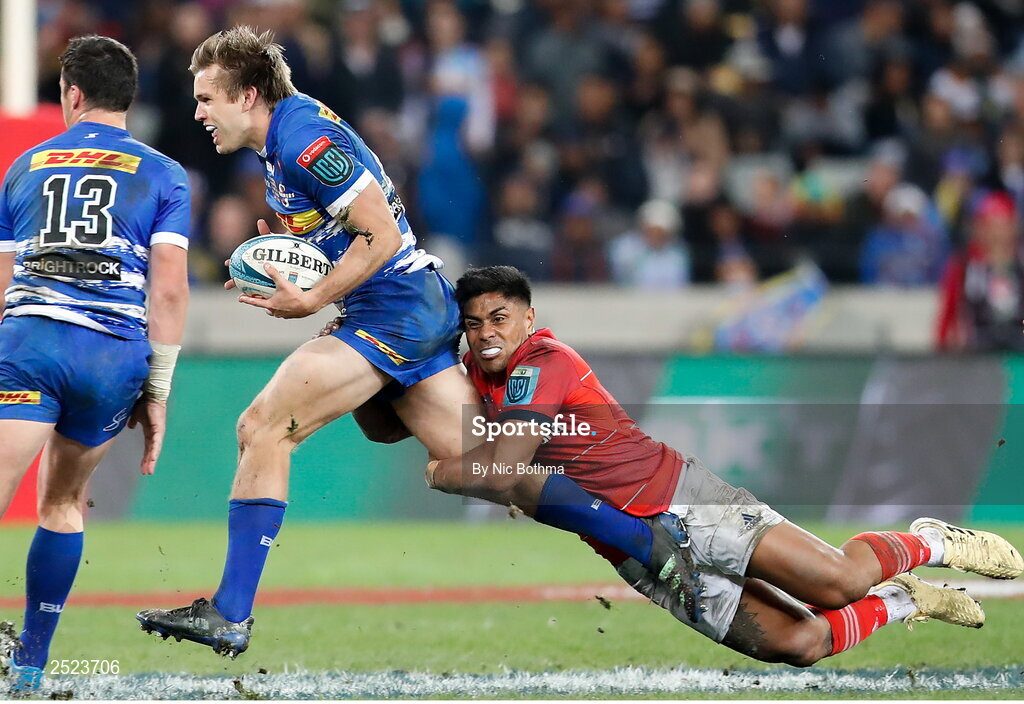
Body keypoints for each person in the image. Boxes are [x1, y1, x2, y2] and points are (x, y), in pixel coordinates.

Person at [136, 27, 711, 658]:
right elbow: (354, 224)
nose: (197, 112)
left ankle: (230, 612)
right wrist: (306, 248)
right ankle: (650, 543)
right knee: (494, 469)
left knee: (264, 425)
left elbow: (379, 234)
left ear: (247, 96)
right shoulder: (283, 140)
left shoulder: (303, 139)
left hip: (395, 311)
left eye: (207, 98)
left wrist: (313, 295)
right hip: (407, 305)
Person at [427, 265, 1023, 666]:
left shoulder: (542, 360)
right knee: (800, 643)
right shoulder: (476, 375)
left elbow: (503, 468)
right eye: (474, 322)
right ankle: (908, 601)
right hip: (634, 551)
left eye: (499, 318)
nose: (485, 334)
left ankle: (931, 542)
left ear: (528, 320)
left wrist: (441, 472)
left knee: (837, 582)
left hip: (687, 501)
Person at [0, 36, 191, 693]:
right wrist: (157, 388)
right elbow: (167, 291)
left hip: (32, 343)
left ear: (72, 95)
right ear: (128, 99)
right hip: (112, 357)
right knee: (61, 503)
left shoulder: (23, 168)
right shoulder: (165, 175)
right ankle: (29, 666)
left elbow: (2, 282)